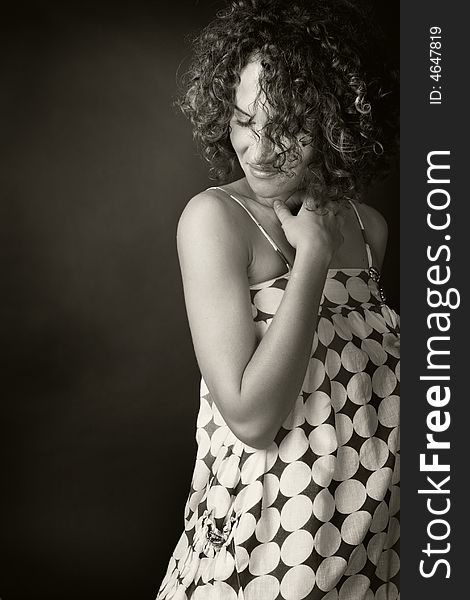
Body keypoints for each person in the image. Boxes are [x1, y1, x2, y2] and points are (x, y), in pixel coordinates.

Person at [157, 0, 399, 598]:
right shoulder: (216, 220)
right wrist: (311, 257)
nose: (259, 149)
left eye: (287, 128)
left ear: (337, 122)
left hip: (364, 556)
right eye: (243, 120)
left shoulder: (369, 231)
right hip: (260, 558)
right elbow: (252, 417)